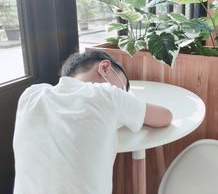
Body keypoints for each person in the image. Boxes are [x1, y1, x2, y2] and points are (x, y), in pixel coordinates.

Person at [13, 50, 172, 194]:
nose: (122, 92)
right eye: (122, 86)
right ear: (105, 68)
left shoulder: (30, 95)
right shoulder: (108, 94)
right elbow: (165, 117)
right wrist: (126, 100)